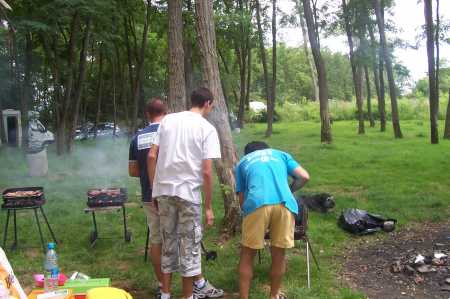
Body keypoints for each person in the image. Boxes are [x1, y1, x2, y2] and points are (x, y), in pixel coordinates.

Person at [130, 98, 223, 299]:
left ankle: (165, 294)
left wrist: (155, 190)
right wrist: (208, 206)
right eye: (212, 106)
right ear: (207, 103)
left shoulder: (168, 120)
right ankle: (189, 296)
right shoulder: (206, 128)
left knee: (168, 243)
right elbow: (207, 172)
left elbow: (152, 156)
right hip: (188, 194)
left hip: (164, 192)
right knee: (189, 247)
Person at [235, 141, 310, 299]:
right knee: (279, 254)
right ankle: (274, 295)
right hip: (284, 204)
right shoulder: (281, 155)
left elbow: (242, 201)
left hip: (256, 204)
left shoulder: (243, 162)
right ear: (268, 150)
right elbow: (304, 176)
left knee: (247, 254)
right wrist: (290, 190)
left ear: (247, 153)